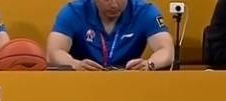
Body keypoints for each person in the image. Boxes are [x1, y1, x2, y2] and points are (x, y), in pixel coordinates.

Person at [46, 0, 174, 70]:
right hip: (82, 80)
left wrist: (150, 64)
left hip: (129, 82)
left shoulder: (145, 11)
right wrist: (75, 64)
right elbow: (53, 52)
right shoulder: (73, 11)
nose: (114, 4)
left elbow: (166, 50)